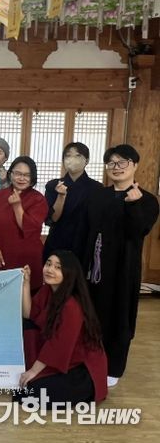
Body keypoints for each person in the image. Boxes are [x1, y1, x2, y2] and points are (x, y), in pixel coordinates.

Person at [84, 144, 159, 387]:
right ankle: (90, 360)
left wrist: (133, 205)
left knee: (120, 317)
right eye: (111, 163)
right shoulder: (99, 196)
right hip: (95, 268)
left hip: (124, 269)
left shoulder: (147, 200)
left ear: (134, 165)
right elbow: (87, 230)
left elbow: (139, 231)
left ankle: (114, 367)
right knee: (92, 314)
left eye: (122, 162)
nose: (116, 167)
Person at [17, 251, 108, 406]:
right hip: (60, 357)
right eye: (48, 264)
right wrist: (26, 283)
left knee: (28, 394)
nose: (50, 269)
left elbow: (59, 345)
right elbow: (28, 314)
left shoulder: (71, 306)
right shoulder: (48, 290)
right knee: (27, 325)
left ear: (69, 273)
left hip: (80, 367)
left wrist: (33, 371)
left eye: (58, 267)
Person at [0, 156, 48, 292]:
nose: (21, 178)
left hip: (26, 259)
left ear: (32, 178)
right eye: (18, 173)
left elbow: (29, 228)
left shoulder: (38, 199)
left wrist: (17, 206)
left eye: (26, 175)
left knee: (26, 298)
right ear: (10, 174)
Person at [43, 142, 102, 264]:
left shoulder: (97, 188)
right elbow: (53, 218)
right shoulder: (53, 185)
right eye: (68, 156)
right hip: (57, 242)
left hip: (83, 244)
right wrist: (61, 196)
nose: (72, 159)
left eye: (77, 155)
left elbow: (97, 222)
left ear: (86, 161)